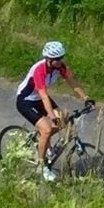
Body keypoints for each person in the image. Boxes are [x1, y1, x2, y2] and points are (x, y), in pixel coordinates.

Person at [14, 40, 92, 179]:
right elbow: (44, 95)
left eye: (61, 58)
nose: (59, 61)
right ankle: (41, 166)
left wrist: (86, 98)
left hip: (39, 98)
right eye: (56, 59)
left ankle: (42, 141)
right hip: (26, 100)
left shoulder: (60, 67)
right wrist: (51, 115)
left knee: (63, 122)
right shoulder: (39, 70)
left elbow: (73, 83)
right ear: (48, 59)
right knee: (48, 129)